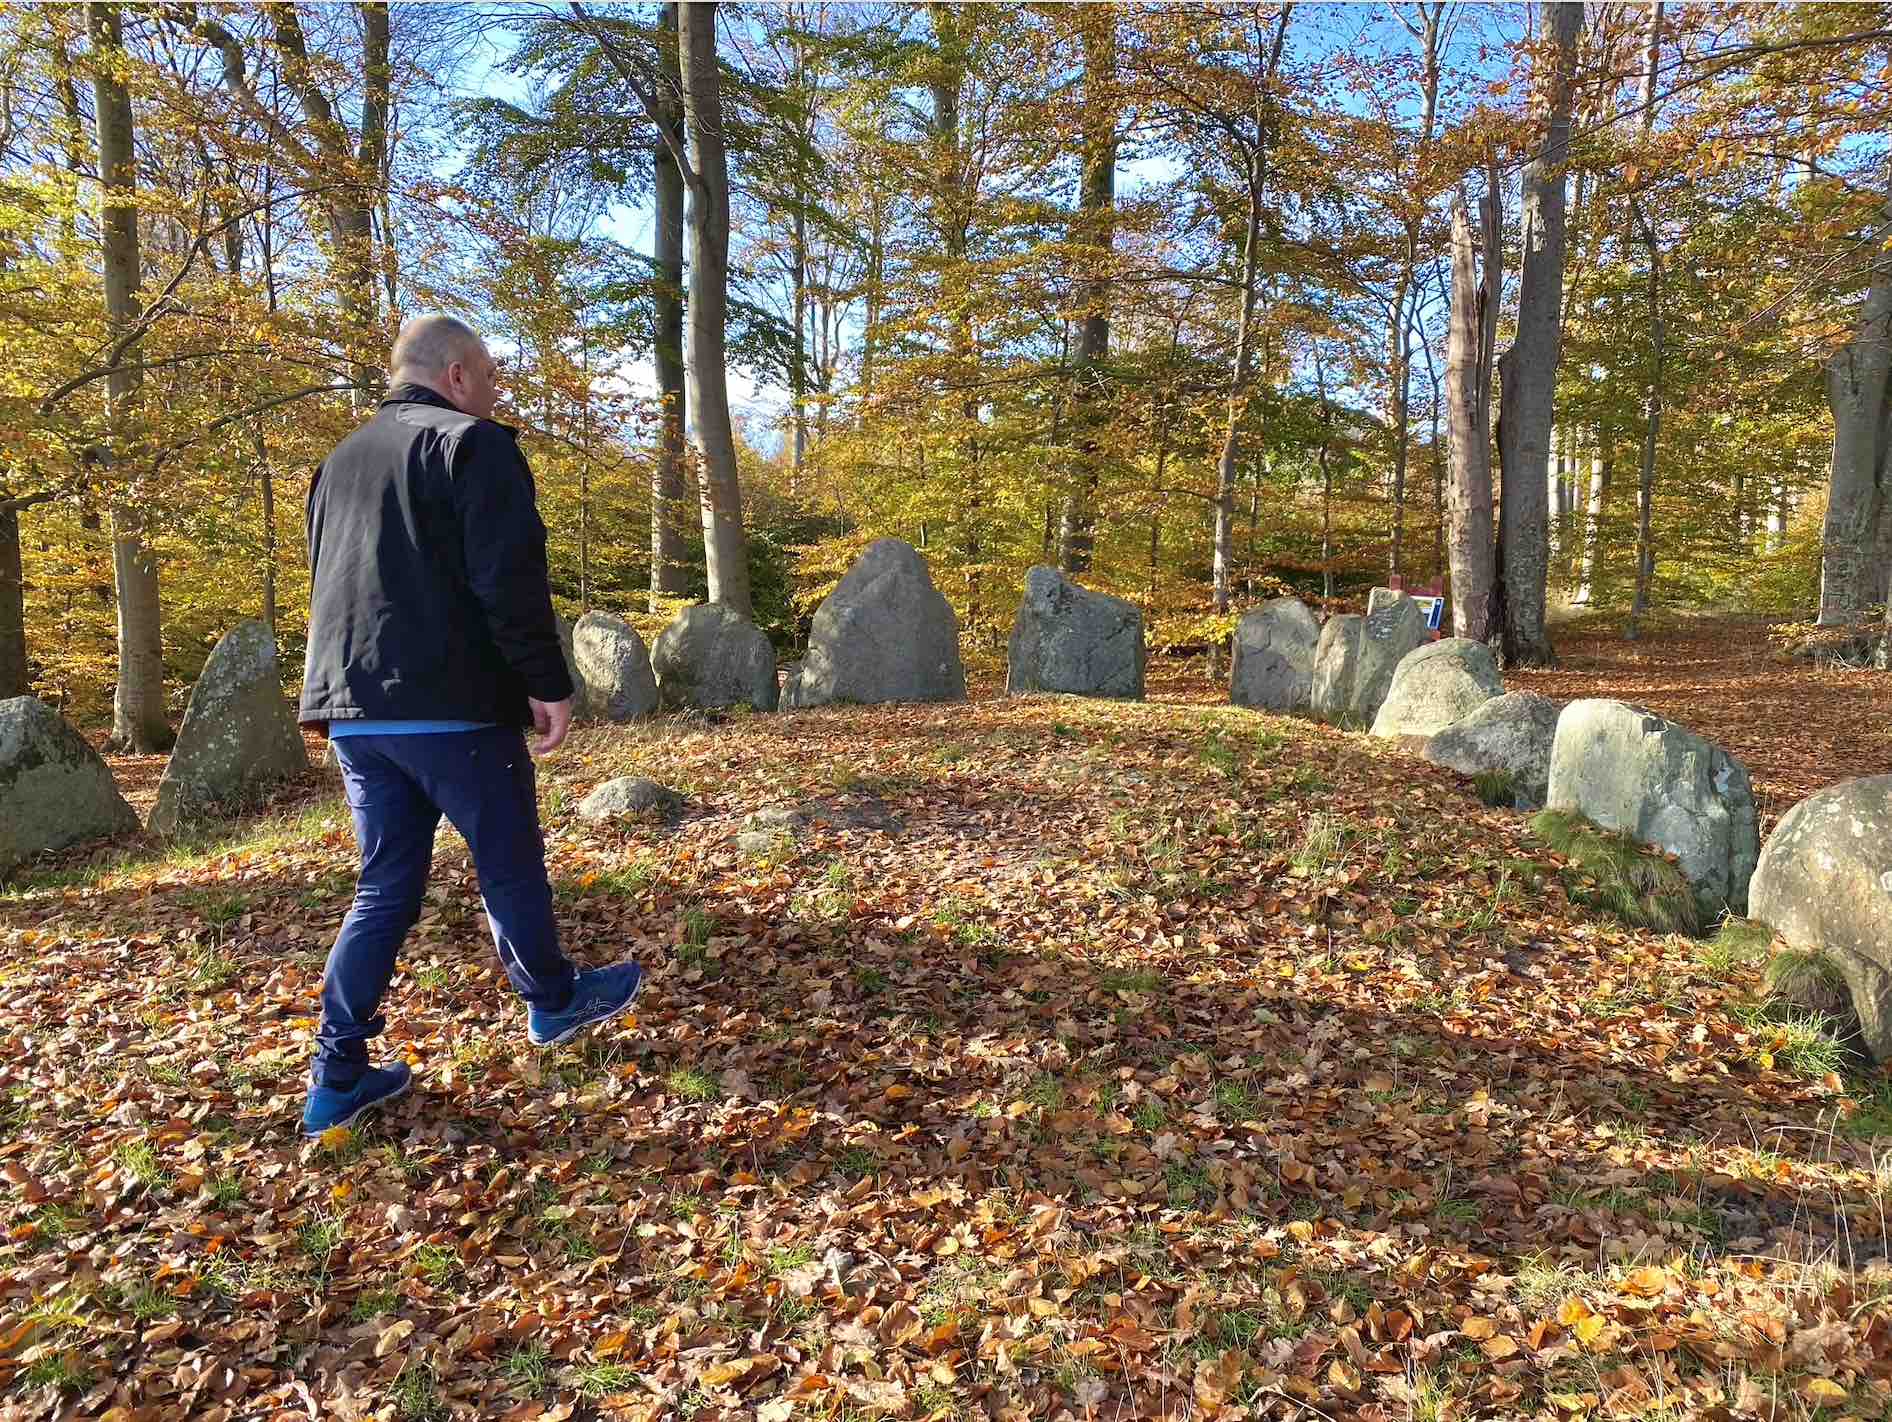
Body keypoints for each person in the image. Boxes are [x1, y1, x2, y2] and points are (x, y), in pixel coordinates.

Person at [296, 315, 642, 1136]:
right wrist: (547, 683)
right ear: (455, 375)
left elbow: (336, 584)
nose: (492, 395)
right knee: (509, 863)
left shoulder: (336, 464)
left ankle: (336, 1074)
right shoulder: (472, 445)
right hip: (449, 705)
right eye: (488, 379)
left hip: (354, 712)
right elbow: (508, 579)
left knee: (383, 888)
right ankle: (554, 1003)